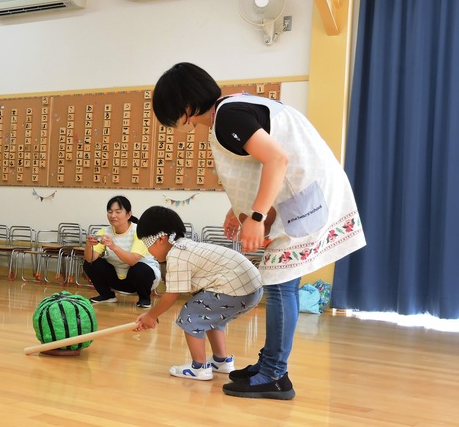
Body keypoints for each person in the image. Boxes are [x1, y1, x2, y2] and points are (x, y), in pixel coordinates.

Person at [152, 62, 366, 399]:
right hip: (308, 194)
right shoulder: (236, 105)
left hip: (305, 197)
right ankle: (270, 364)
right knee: (282, 284)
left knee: (280, 285)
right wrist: (237, 211)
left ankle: (274, 375)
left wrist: (255, 215)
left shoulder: (227, 118)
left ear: (186, 108)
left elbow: (277, 160)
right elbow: (254, 166)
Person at [134, 205, 263, 383]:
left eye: (146, 245)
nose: (147, 251)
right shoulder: (186, 246)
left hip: (235, 288)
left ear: (161, 239)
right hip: (251, 288)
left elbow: (172, 294)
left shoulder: (177, 255)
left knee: (191, 314)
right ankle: (221, 361)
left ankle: (199, 367)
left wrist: (151, 315)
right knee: (208, 314)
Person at [83, 195, 161, 308]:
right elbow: (90, 259)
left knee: (139, 268)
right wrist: (89, 246)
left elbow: (133, 261)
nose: (113, 215)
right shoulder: (105, 231)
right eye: (110, 212)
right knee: (89, 264)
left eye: (118, 212)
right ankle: (107, 295)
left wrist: (114, 247)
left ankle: (144, 298)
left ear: (128, 214)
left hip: (140, 278)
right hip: (117, 278)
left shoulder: (139, 231)